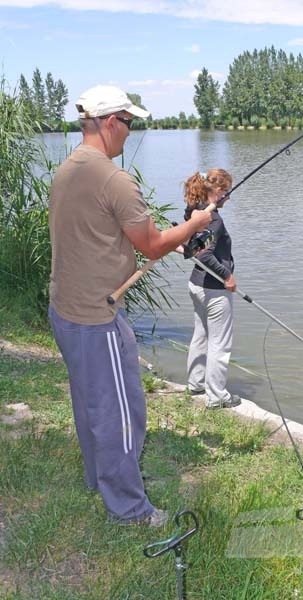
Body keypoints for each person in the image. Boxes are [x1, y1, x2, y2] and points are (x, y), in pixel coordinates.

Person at [48, 85, 212, 526]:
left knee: (90, 403)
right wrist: (195, 223)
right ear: (108, 122)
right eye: (128, 122)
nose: (130, 132)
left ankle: (96, 478)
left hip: (66, 309)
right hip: (95, 317)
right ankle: (129, 508)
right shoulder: (114, 179)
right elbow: (154, 244)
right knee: (120, 412)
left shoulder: (68, 170)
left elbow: (97, 233)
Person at [184, 169, 241, 409]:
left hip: (196, 285)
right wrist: (227, 276)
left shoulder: (193, 212)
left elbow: (190, 247)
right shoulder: (213, 220)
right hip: (215, 290)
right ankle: (217, 397)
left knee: (201, 335)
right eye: (226, 193)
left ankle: (196, 384)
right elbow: (203, 253)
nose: (228, 197)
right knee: (220, 343)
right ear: (216, 192)